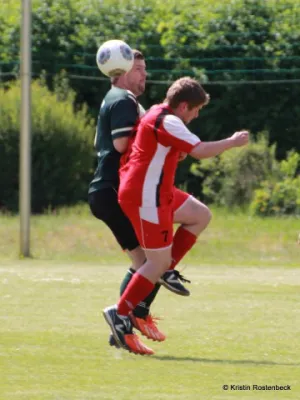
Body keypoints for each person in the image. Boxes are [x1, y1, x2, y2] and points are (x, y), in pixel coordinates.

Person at [103, 76, 249, 355]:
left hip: (159, 190)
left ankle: (163, 270)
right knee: (153, 262)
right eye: (195, 110)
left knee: (200, 215)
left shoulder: (160, 113)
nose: (195, 116)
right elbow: (201, 151)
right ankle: (120, 313)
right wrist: (232, 142)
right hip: (147, 195)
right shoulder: (170, 121)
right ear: (183, 106)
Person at [88, 50, 191, 351]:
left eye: (145, 69)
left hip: (108, 190)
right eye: (139, 69)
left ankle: (126, 324)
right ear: (121, 70)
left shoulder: (120, 98)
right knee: (151, 263)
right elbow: (122, 144)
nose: (144, 74)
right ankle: (129, 318)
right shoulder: (122, 100)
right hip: (113, 189)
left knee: (146, 262)